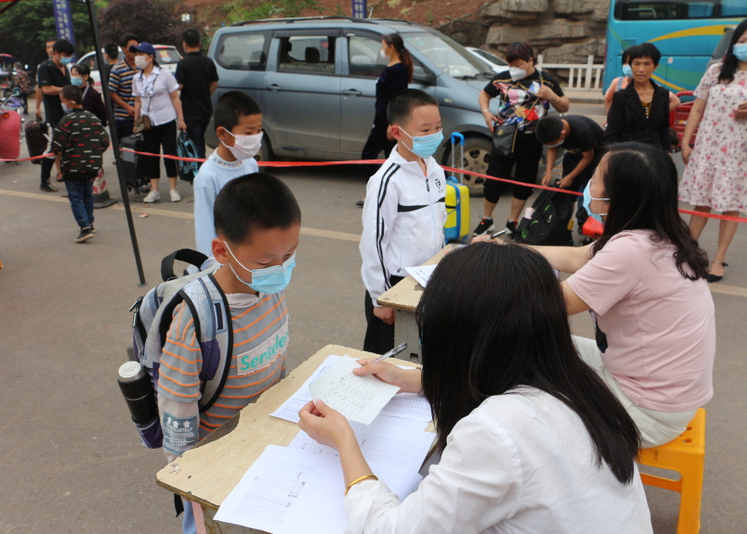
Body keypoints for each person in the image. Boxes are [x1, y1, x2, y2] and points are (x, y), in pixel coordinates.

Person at [298, 242, 651, 532]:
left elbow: (391, 529)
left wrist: (344, 441)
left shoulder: (496, 432)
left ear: (459, 339)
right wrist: (417, 380)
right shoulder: (575, 381)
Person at [530, 142, 715, 448]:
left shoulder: (632, 250)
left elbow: (546, 306)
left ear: (619, 195)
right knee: (538, 348)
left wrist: (484, 276)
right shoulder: (659, 236)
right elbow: (577, 256)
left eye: (596, 177)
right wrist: (508, 251)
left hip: (646, 411)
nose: (589, 183)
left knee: (522, 357)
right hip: (662, 394)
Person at [158, 172, 300, 533]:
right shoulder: (196, 321)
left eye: (290, 255)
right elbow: (177, 411)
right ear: (222, 251)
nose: (281, 270)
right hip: (215, 466)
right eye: (267, 263)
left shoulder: (270, 290)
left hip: (264, 449)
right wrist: (191, 480)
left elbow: (276, 366)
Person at [359, 89, 447, 354]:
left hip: (429, 280)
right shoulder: (387, 180)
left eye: (438, 127)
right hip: (395, 285)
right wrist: (381, 298)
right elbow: (373, 243)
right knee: (387, 359)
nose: (434, 135)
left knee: (422, 356)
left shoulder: (435, 170)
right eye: (425, 130)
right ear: (397, 132)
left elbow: (438, 223)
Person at [474, 41, 569, 236]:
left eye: (517, 64)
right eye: (510, 64)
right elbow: (484, 94)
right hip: (504, 136)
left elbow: (564, 106)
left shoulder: (546, 81)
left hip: (532, 139)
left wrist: (552, 96)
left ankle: (513, 221)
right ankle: (486, 220)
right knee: (493, 179)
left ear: (530, 61)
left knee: (524, 181)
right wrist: (486, 112)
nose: (513, 68)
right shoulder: (502, 78)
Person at [679, 18, 747, 283]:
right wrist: (686, 141)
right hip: (709, 148)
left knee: (731, 206)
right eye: (742, 41)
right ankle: (688, 252)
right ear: (734, 43)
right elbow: (697, 108)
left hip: (739, 153)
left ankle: (718, 259)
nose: (745, 46)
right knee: (702, 202)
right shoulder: (716, 71)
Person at [194, 90, 261, 255]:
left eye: (259, 130)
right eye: (248, 133)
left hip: (251, 255)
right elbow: (205, 231)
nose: (255, 137)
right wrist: (213, 266)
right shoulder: (208, 177)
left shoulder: (251, 164)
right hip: (225, 259)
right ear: (222, 134)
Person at [357, 32, 412, 206]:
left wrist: (392, 123)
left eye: (383, 46)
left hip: (386, 121)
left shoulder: (397, 70)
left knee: (368, 155)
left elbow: (398, 98)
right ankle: (391, 194)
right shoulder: (391, 67)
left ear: (391, 47)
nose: (381, 50)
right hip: (382, 118)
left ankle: (374, 192)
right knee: (392, 157)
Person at [52, 85, 110, 243]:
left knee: (75, 197)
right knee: (87, 195)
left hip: (72, 167)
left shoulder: (66, 121)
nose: (62, 105)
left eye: (62, 101)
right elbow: (105, 141)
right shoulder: (93, 118)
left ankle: (84, 228)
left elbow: (58, 145)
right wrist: (93, 153)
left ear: (70, 103)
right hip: (92, 166)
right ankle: (90, 223)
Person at [131, 41, 186, 203]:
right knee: (151, 156)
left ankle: (173, 188)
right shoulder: (137, 78)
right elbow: (137, 101)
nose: (137, 58)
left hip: (166, 120)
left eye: (140, 54)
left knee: (169, 155)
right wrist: (136, 122)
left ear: (150, 57)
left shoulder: (164, 75)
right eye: (136, 55)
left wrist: (181, 119)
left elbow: (175, 98)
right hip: (148, 123)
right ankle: (154, 190)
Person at [535, 114, 605, 230]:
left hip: (594, 157)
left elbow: (588, 157)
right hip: (573, 155)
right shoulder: (554, 128)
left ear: (562, 134)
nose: (552, 145)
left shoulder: (581, 131)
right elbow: (552, 148)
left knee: (586, 193)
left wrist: (570, 177)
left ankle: (585, 224)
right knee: (566, 193)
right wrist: (548, 172)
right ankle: (565, 225)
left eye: (554, 142)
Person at [605, 42, 671, 150]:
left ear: (655, 66)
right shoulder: (620, 97)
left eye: (647, 64)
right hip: (628, 153)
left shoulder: (663, 95)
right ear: (631, 66)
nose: (641, 69)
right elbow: (612, 132)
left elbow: (663, 129)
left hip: (655, 153)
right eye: (637, 63)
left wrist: (668, 153)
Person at [37, 38, 74, 193]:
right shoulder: (45, 67)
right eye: (65, 55)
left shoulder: (66, 68)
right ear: (56, 53)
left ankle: (69, 174)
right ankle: (44, 180)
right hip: (55, 115)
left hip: (69, 113)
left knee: (70, 146)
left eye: (69, 56)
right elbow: (46, 89)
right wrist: (67, 89)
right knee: (53, 148)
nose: (67, 58)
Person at [176, 28, 218, 160]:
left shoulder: (183, 63)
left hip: (190, 110)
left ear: (184, 44)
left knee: (195, 141)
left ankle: (198, 167)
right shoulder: (208, 62)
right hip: (206, 108)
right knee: (199, 138)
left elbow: (179, 85)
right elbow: (214, 83)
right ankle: (199, 164)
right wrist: (205, 93)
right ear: (199, 42)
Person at [604, 46, 681, 116]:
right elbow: (607, 98)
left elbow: (676, 101)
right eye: (627, 62)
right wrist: (609, 117)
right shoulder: (618, 82)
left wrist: (656, 115)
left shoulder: (654, 88)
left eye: (646, 64)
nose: (640, 69)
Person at [108, 33, 139, 143]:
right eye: (132, 48)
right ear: (124, 49)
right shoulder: (117, 69)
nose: (135, 50)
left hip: (141, 118)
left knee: (142, 148)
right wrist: (127, 107)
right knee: (126, 149)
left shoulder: (143, 67)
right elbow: (111, 92)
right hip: (124, 118)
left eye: (137, 47)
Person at [34, 39, 55, 123]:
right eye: (48, 47)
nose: (50, 50)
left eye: (52, 47)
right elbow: (39, 87)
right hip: (50, 106)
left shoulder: (67, 66)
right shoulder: (42, 67)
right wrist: (37, 108)